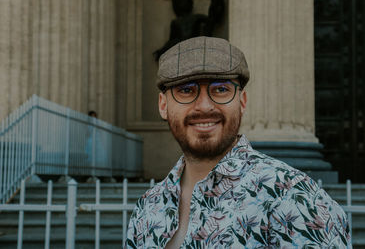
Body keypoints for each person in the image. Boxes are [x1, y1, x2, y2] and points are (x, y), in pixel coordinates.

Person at [125, 37, 352, 248]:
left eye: (221, 89)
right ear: (163, 105)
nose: (204, 106)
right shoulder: (147, 207)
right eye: (186, 90)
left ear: (242, 101)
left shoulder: (295, 197)